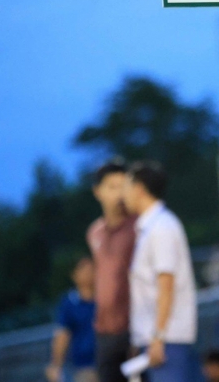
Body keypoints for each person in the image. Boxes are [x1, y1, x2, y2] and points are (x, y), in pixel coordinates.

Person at [124, 161, 197, 382]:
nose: (123, 195)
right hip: (157, 339)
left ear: (139, 188)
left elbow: (166, 285)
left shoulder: (162, 227)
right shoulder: (149, 227)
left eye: (126, 187)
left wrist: (158, 336)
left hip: (167, 340)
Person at [86, 158, 137, 382]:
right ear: (98, 191)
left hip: (133, 328)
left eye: (123, 186)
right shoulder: (94, 232)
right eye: (112, 187)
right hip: (105, 331)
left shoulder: (139, 227)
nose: (119, 194)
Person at [46, 258, 99, 382]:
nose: (89, 272)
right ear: (74, 275)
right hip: (85, 367)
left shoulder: (105, 297)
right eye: (83, 269)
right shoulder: (70, 303)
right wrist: (56, 364)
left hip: (109, 360)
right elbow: (62, 335)